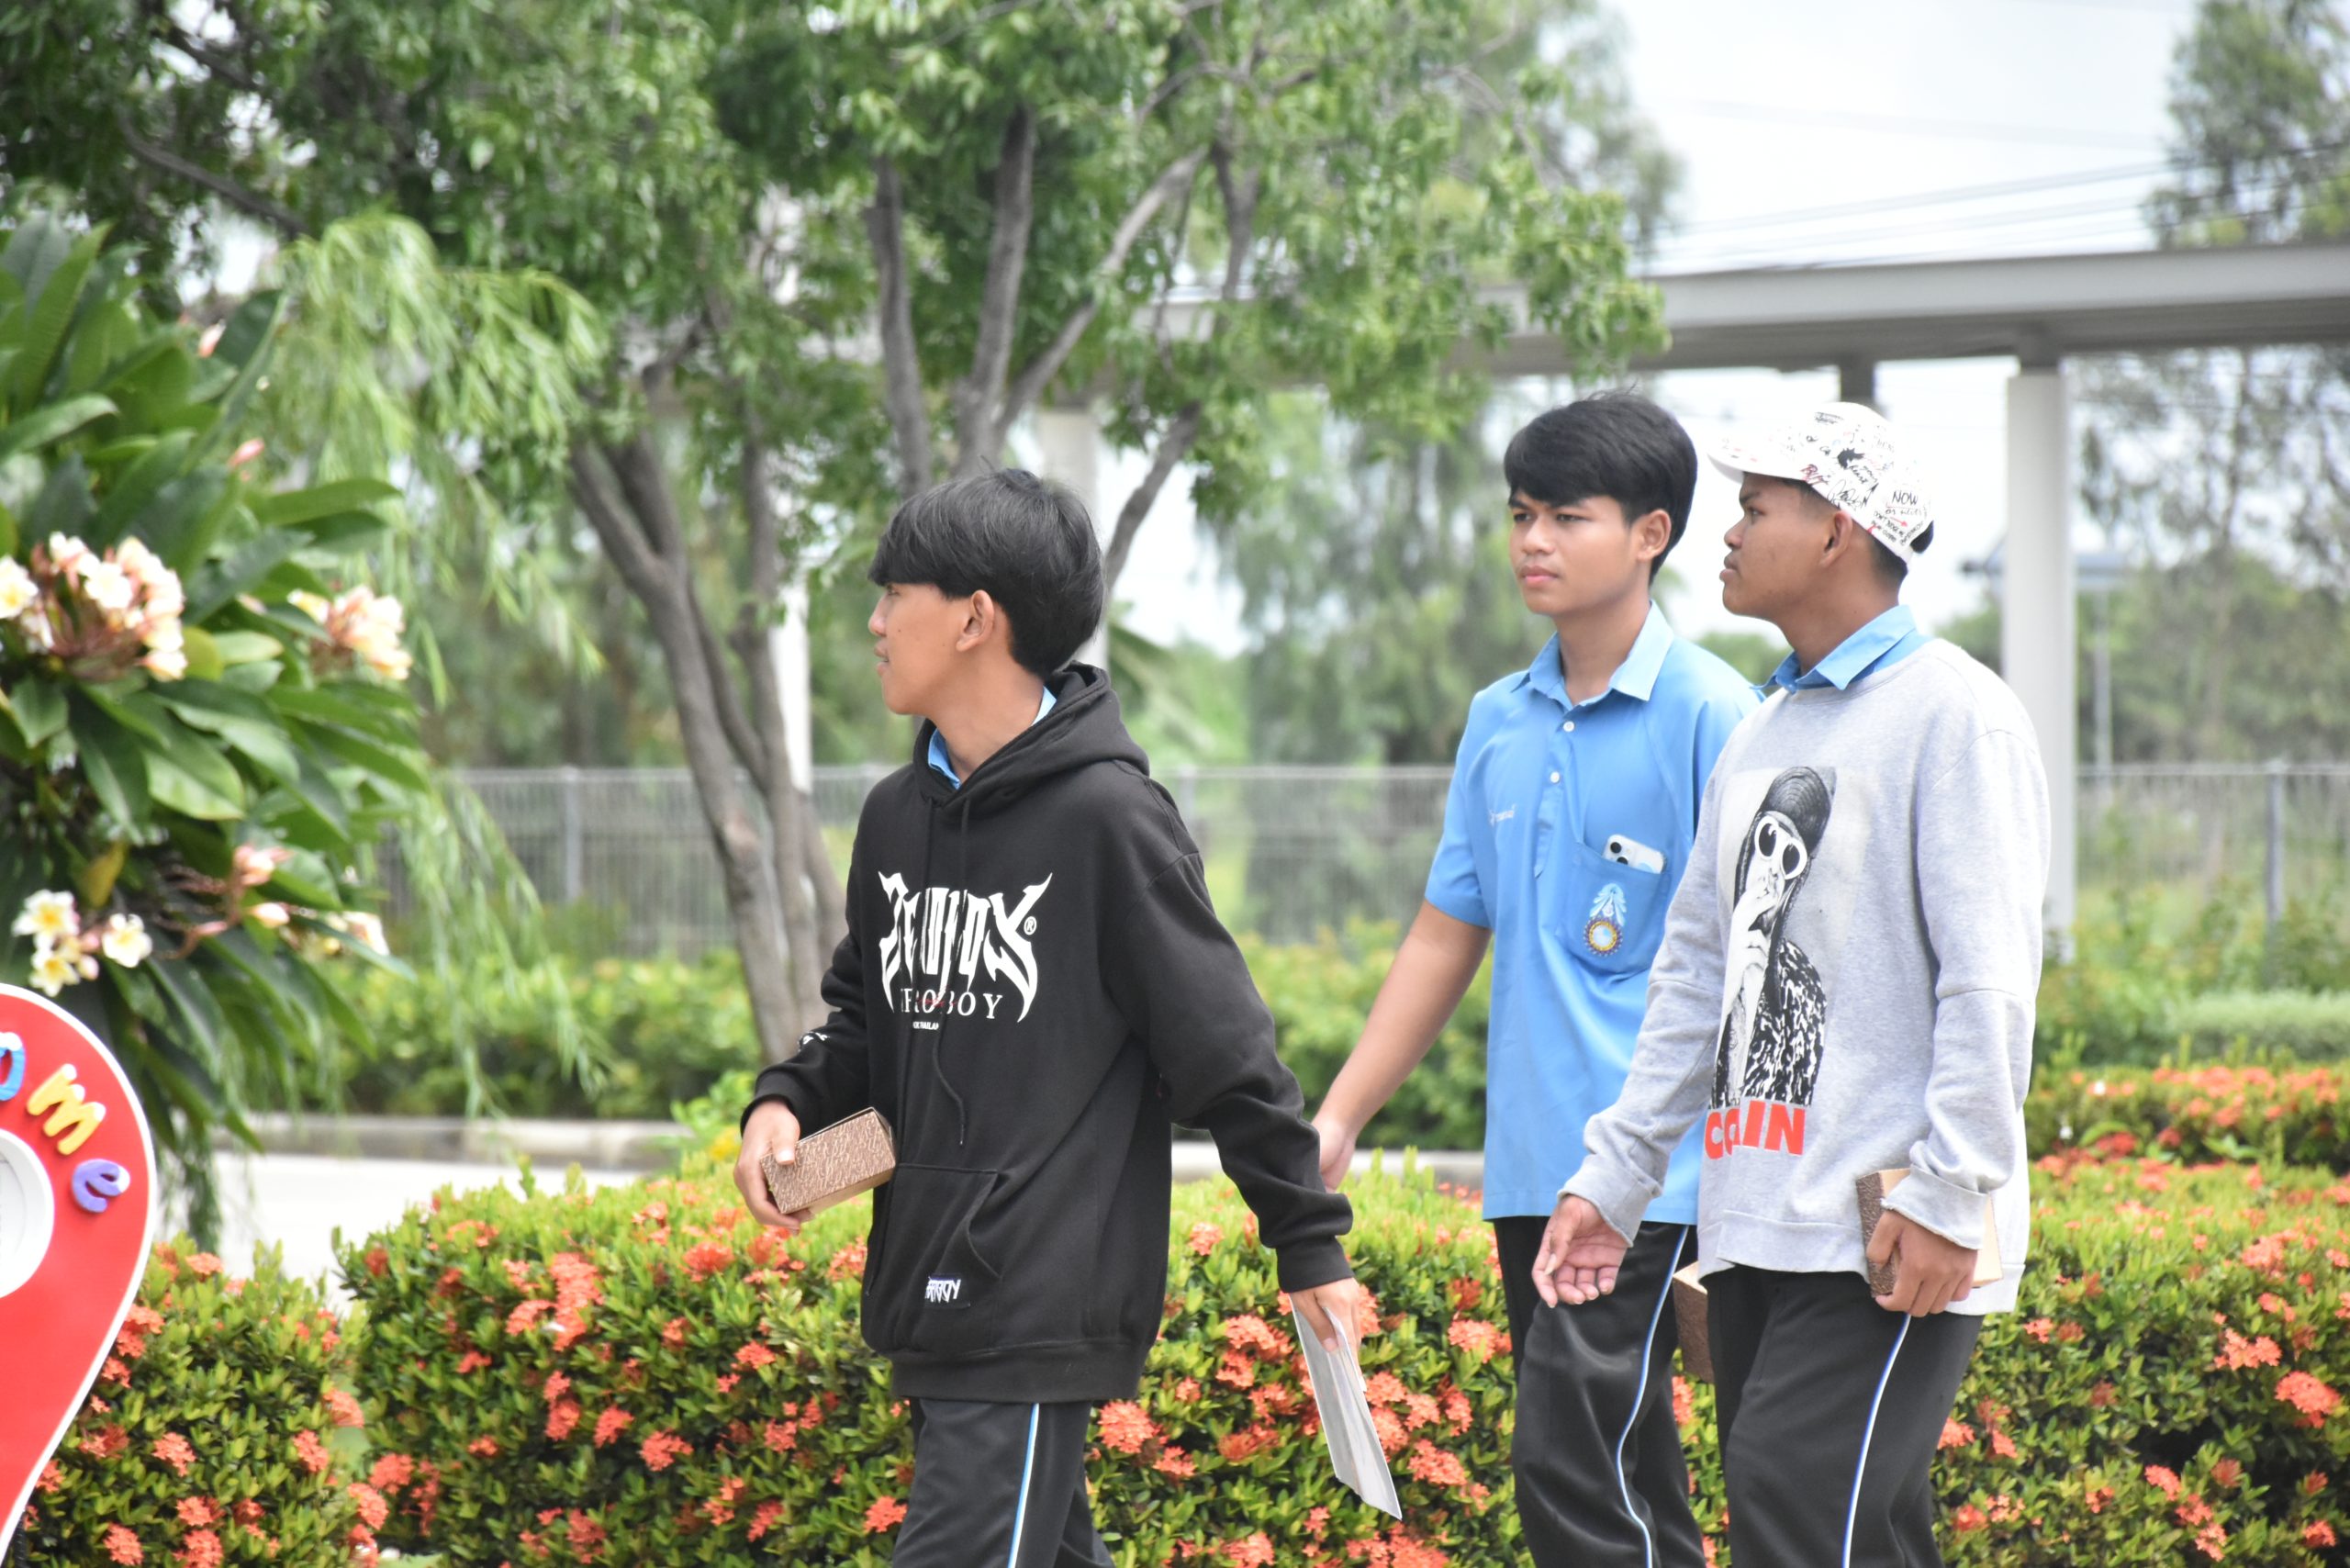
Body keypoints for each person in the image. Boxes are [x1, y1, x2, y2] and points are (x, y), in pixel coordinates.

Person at [733, 468, 1359, 1568]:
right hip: (929, 1282)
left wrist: (1306, 1239)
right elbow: (867, 1017)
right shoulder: (895, 816)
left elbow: (1224, 1051)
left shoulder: (1110, 820)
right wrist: (786, 1102)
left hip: (1034, 1298)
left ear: (975, 618)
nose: (874, 622)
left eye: (895, 593)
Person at [1539, 402, 2051, 1568]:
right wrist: (1616, 1175)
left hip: (1891, 1228)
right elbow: (1695, 978)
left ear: (1836, 531)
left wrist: (1951, 1190)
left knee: (1794, 1510)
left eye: (1754, 508)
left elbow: (1988, 979)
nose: (1725, 533)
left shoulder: (1956, 715)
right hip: (1759, 1219)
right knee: (1839, 1534)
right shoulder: (1763, 728)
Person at [1311, 392, 1758, 1566]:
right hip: (1528, 1171)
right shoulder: (1496, 721)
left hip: (1649, 1178)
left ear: (1651, 533)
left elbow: (1756, 963)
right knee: (1616, 1474)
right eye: (1520, 514)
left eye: (1567, 516)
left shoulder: (1715, 714)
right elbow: (1442, 936)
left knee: (1575, 1472)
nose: (1533, 541)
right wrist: (1341, 1114)